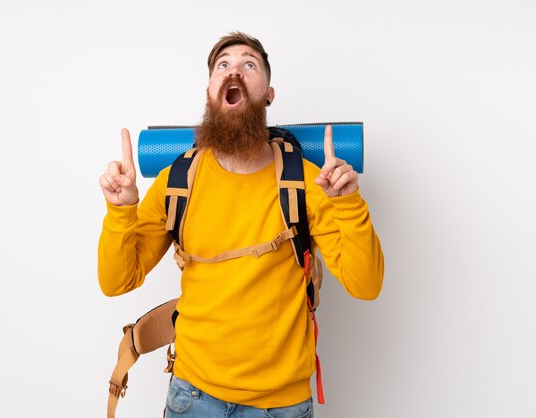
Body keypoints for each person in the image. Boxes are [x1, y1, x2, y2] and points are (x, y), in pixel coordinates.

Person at [98, 32, 384, 418]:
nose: (234, 70)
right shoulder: (177, 180)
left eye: (249, 64)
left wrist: (348, 203)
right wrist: (121, 211)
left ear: (268, 94)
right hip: (191, 396)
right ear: (210, 91)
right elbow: (116, 282)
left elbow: (365, 286)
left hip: (280, 405)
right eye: (223, 65)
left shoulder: (309, 182)